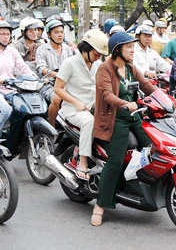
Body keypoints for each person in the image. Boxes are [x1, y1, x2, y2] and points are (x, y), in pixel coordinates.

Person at [91, 32, 156, 226]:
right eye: (129, 47)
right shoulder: (105, 69)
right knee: (116, 161)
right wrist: (124, 104)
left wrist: (168, 100)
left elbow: (146, 86)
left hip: (133, 116)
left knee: (153, 147)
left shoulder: (129, 67)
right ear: (117, 49)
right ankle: (100, 206)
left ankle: (133, 186)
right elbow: (106, 94)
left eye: (133, 47)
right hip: (115, 118)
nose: (132, 50)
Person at [54, 29, 109, 180]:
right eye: (97, 53)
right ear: (86, 48)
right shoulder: (70, 63)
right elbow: (57, 88)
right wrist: (76, 102)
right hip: (73, 110)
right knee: (89, 121)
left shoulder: (97, 64)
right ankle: (82, 161)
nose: (98, 57)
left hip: (93, 108)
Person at [0, 20, 36, 137]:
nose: (6, 37)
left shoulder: (12, 51)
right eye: (2, 34)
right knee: (6, 110)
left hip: (10, 88)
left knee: (24, 107)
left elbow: (23, 66)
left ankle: (14, 137)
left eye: (7, 34)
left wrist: (34, 78)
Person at [35, 19, 73, 127]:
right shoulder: (42, 49)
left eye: (61, 32)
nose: (60, 35)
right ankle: (52, 128)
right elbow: (42, 69)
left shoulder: (67, 49)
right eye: (56, 32)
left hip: (66, 83)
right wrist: (57, 74)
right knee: (57, 98)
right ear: (48, 34)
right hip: (48, 83)